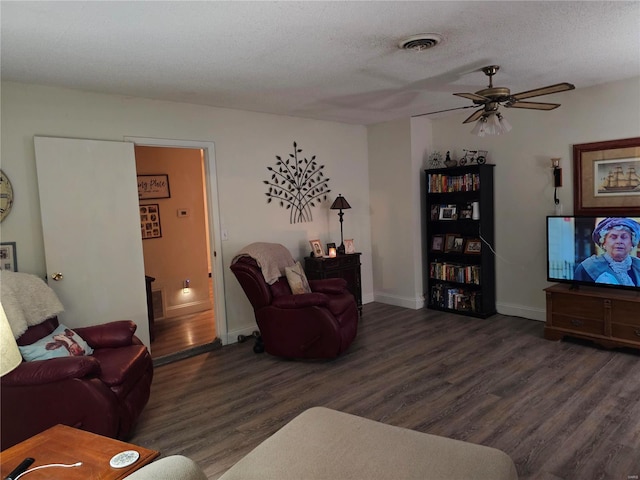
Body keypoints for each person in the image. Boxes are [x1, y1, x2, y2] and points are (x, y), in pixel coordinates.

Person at [574, 217, 640, 286]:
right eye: (613, 237)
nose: (619, 241)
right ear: (604, 242)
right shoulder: (587, 267)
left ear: (632, 242)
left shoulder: (638, 264)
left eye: (624, 237)